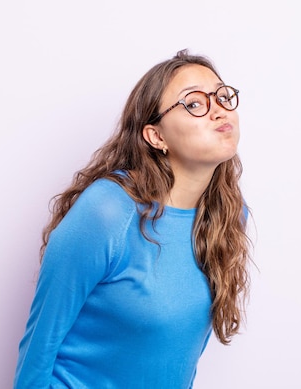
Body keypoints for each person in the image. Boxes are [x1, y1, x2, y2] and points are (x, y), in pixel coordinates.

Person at [13, 49, 252, 389]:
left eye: (223, 97)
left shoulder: (228, 215)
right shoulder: (107, 211)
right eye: (195, 104)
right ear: (156, 136)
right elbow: (38, 351)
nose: (217, 110)